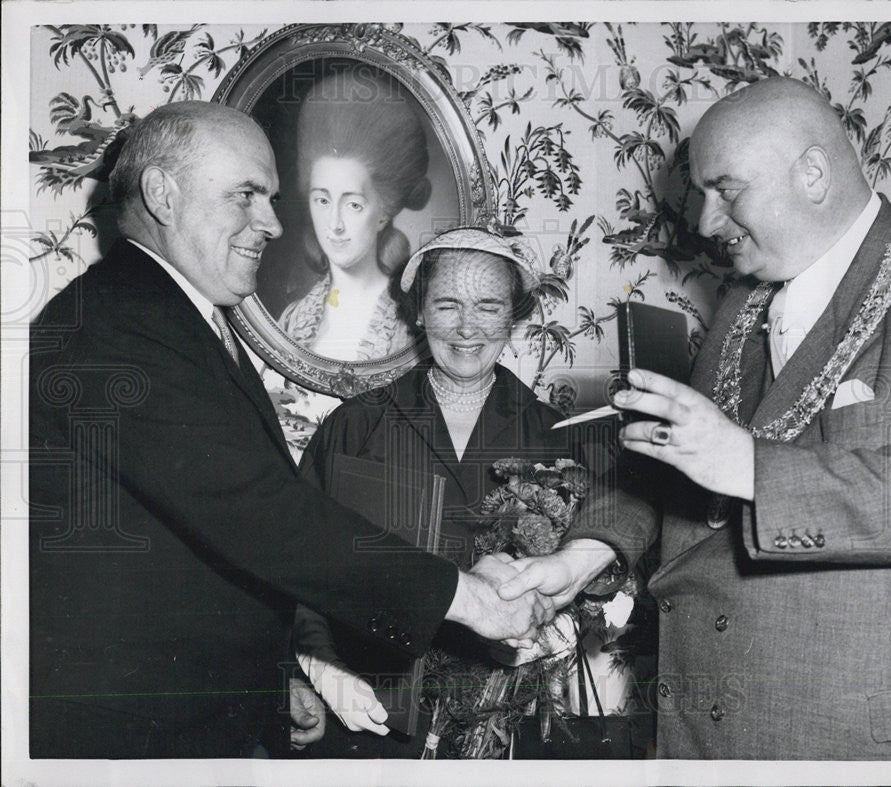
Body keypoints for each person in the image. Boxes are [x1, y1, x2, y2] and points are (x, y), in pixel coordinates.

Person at [28, 102, 552, 759]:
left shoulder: (179, 315)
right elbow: (262, 515)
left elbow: (206, 546)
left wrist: (277, 676)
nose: (274, 223)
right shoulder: (115, 321)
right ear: (163, 194)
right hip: (134, 736)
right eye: (247, 195)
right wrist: (465, 596)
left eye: (272, 198)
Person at [499, 77, 891, 759]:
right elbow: (673, 462)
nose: (705, 222)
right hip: (703, 736)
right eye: (702, 193)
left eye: (727, 189)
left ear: (812, 173)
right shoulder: (742, 302)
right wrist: (585, 555)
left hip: (858, 747)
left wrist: (749, 465)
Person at [292, 227, 616, 758]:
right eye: (447, 305)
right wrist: (318, 663)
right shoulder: (355, 428)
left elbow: (598, 567)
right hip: (373, 718)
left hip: (506, 728)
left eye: (488, 306)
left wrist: (557, 628)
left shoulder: (561, 438)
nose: (467, 328)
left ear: (513, 316)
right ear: (419, 312)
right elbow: (301, 559)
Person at [279, 65, 428, 362]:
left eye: (353, 205)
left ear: (384, 213)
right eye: (322, 201)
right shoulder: (293, 319)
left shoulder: (413, 324)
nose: (334, 224)